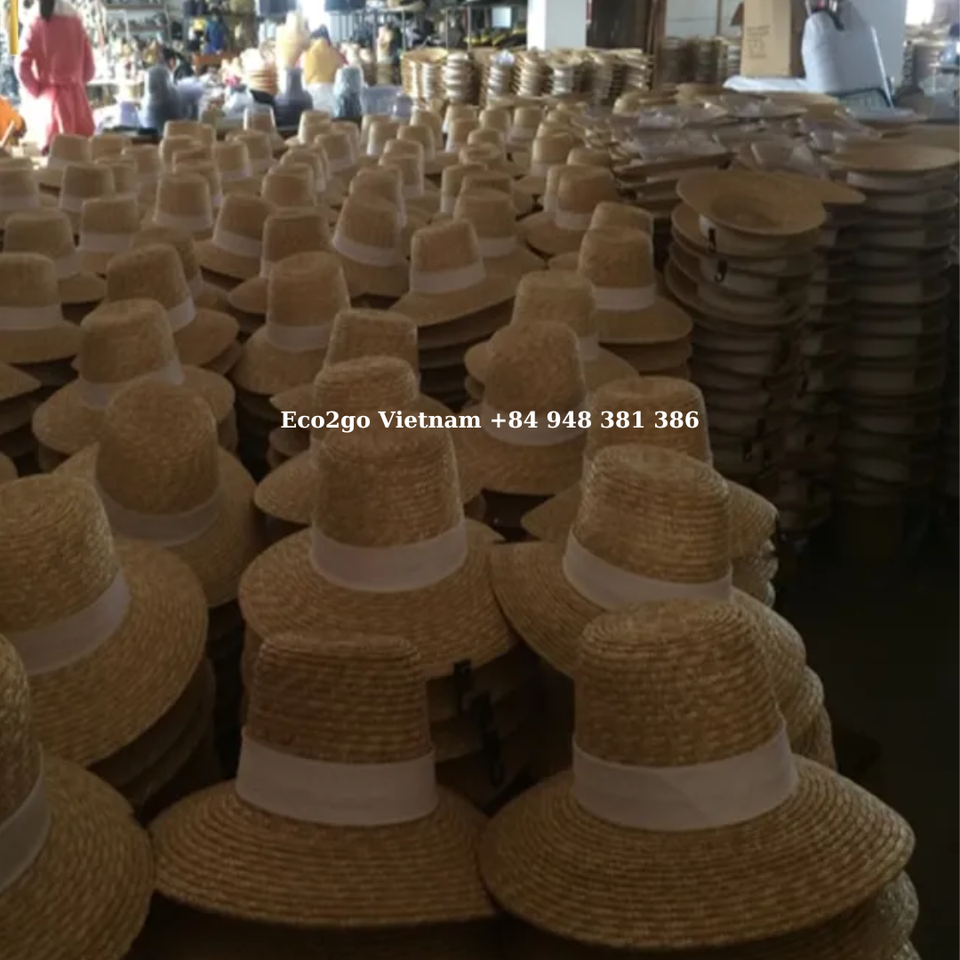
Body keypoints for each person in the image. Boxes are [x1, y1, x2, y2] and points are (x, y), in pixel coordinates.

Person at [16, 0, 95, 152]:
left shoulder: (34, 22)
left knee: (54, 160)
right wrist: (77, 83)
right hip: (78, 104)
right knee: (80, 158)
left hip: (50, 106)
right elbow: (90, 70)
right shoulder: (76, 20)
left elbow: (21, 66)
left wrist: (37, 90)